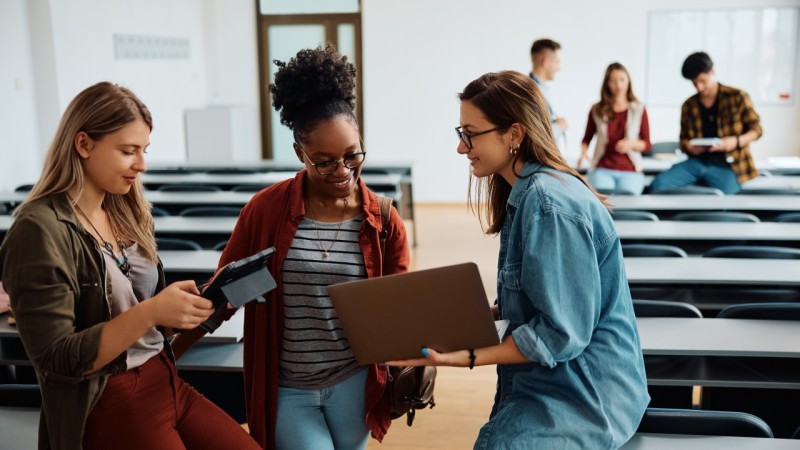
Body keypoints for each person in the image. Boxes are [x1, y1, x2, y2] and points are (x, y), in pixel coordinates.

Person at [391, 71, 649, 449]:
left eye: (470, 134)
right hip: (560, 381)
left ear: (514, 134)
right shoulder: (529, 192)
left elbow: (561, 333)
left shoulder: (549, 205)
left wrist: (468, 357)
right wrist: (454, 318)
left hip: (588, 392)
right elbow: (537, 301)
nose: (462, 149)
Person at [0, 82, 260, 450]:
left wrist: (181, 312)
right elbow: (58, 360)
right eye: (128, 151)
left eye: (144, 150)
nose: (142, 164)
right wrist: (152, 311)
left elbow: (137, 317)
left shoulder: (124, 208)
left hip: (164, 378)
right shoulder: (38, 229)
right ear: (84, 144)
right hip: (108, 396)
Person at [173, 46, 410, 450]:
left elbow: (399, 310)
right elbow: (225, 295)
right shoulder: (265, 212)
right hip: (287, 388)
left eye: (353, 156)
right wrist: (166, 358)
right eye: (325, 161)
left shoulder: (384, 221)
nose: (343, 172)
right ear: (300, 153)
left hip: (354, 382)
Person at [649, 51, 762, 194]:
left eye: (702, 81)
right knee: (658, 186)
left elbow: (757, 130)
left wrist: (735, 141)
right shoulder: (689, 105)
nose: (699, 87)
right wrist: (689, 147)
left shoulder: (738, 97)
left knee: (728, 197)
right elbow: (683, 140)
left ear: (712, 72)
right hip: (696, 162)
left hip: (729, 164)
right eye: (694, 83)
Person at [578, 62, 652, 195]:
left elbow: (647, 144)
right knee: (603, 200)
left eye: (622, 80)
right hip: (602, 167)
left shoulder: (639, 108)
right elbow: (587, 138)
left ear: (628, 81)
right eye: (613, 81)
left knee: (629, 198)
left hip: (630, 169)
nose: (618, 85)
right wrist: (583, 153)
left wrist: (632, 144)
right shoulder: (597, 109)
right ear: (606, 83)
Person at [529, 38, 568, 153]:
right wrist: (560, 126)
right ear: (546, 62)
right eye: (557, 62)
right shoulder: (531, 92)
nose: (558, 68)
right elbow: (536, 135)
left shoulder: (538, 89)